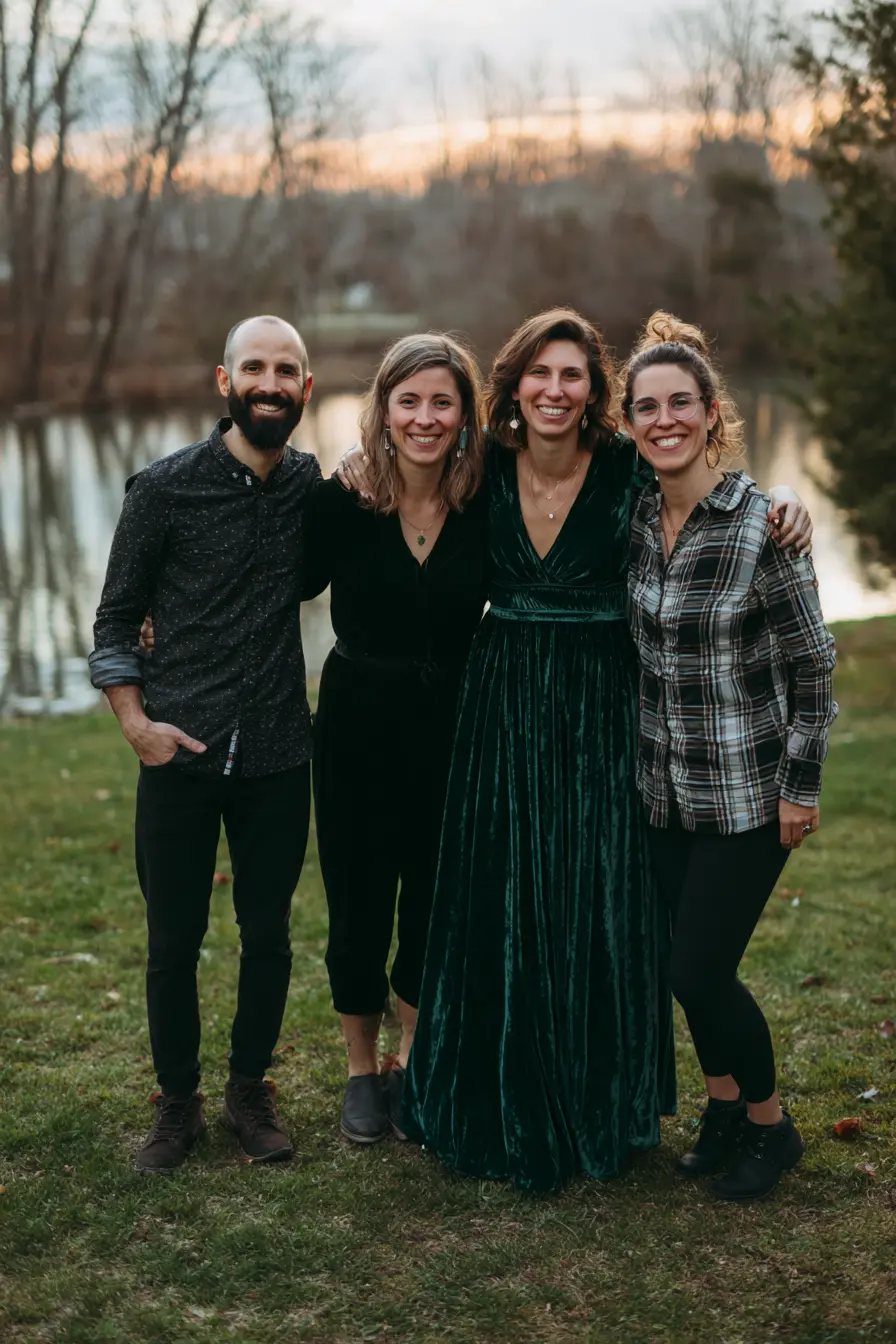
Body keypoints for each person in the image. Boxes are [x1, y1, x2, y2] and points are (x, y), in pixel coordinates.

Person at [397, 309, 813, 1192]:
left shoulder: (627, 469)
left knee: (606, 909)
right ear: (513, 387)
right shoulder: (479, 467)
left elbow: (707, 486)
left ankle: (639, 1101)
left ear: (597, 395)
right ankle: (515, 1084)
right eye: (540, 375)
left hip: (604, 712)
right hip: (504, 707)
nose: (555, 391)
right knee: (506, 899)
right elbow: (409, 466)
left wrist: (788, 500)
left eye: (573, 376)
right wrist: (366, 461)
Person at [88, 315, 319, 1173]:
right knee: (172, 941)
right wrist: (137, 726)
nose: (269, 381)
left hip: (276, 755)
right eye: (253, 367)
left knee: (268, 935)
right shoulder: (164, 489)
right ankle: (177, 1102)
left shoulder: (311, 487)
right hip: (179, 751)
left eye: (285, 369)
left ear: (305, 387)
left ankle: (248, 1091)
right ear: (225, 383)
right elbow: (115, 619)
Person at [623, 312, 837, 1201]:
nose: (664, 419)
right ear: (629, 423)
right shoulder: (634, 517)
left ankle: (769, 1125)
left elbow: (814, 663)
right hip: (663, 792)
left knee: (697, 970)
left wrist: (802, 787)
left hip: (749, 796)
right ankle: (719, 1110)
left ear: (712, 413)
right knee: (689, 970)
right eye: (646, 408)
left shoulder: (764, 527)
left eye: (682, 403)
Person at [302, 334, 489, 1144]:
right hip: (355, 725)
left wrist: (778, 495)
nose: (424, 417)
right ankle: (358, 1070)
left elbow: (592, 472)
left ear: (464, 415)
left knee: (432, 901)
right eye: (408, 400)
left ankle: (412, 1061)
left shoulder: (488, 500)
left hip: (451, 724)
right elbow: (271, 575)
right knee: (358, 899)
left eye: (441, 401)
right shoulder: (342, 500)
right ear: (383, 408)